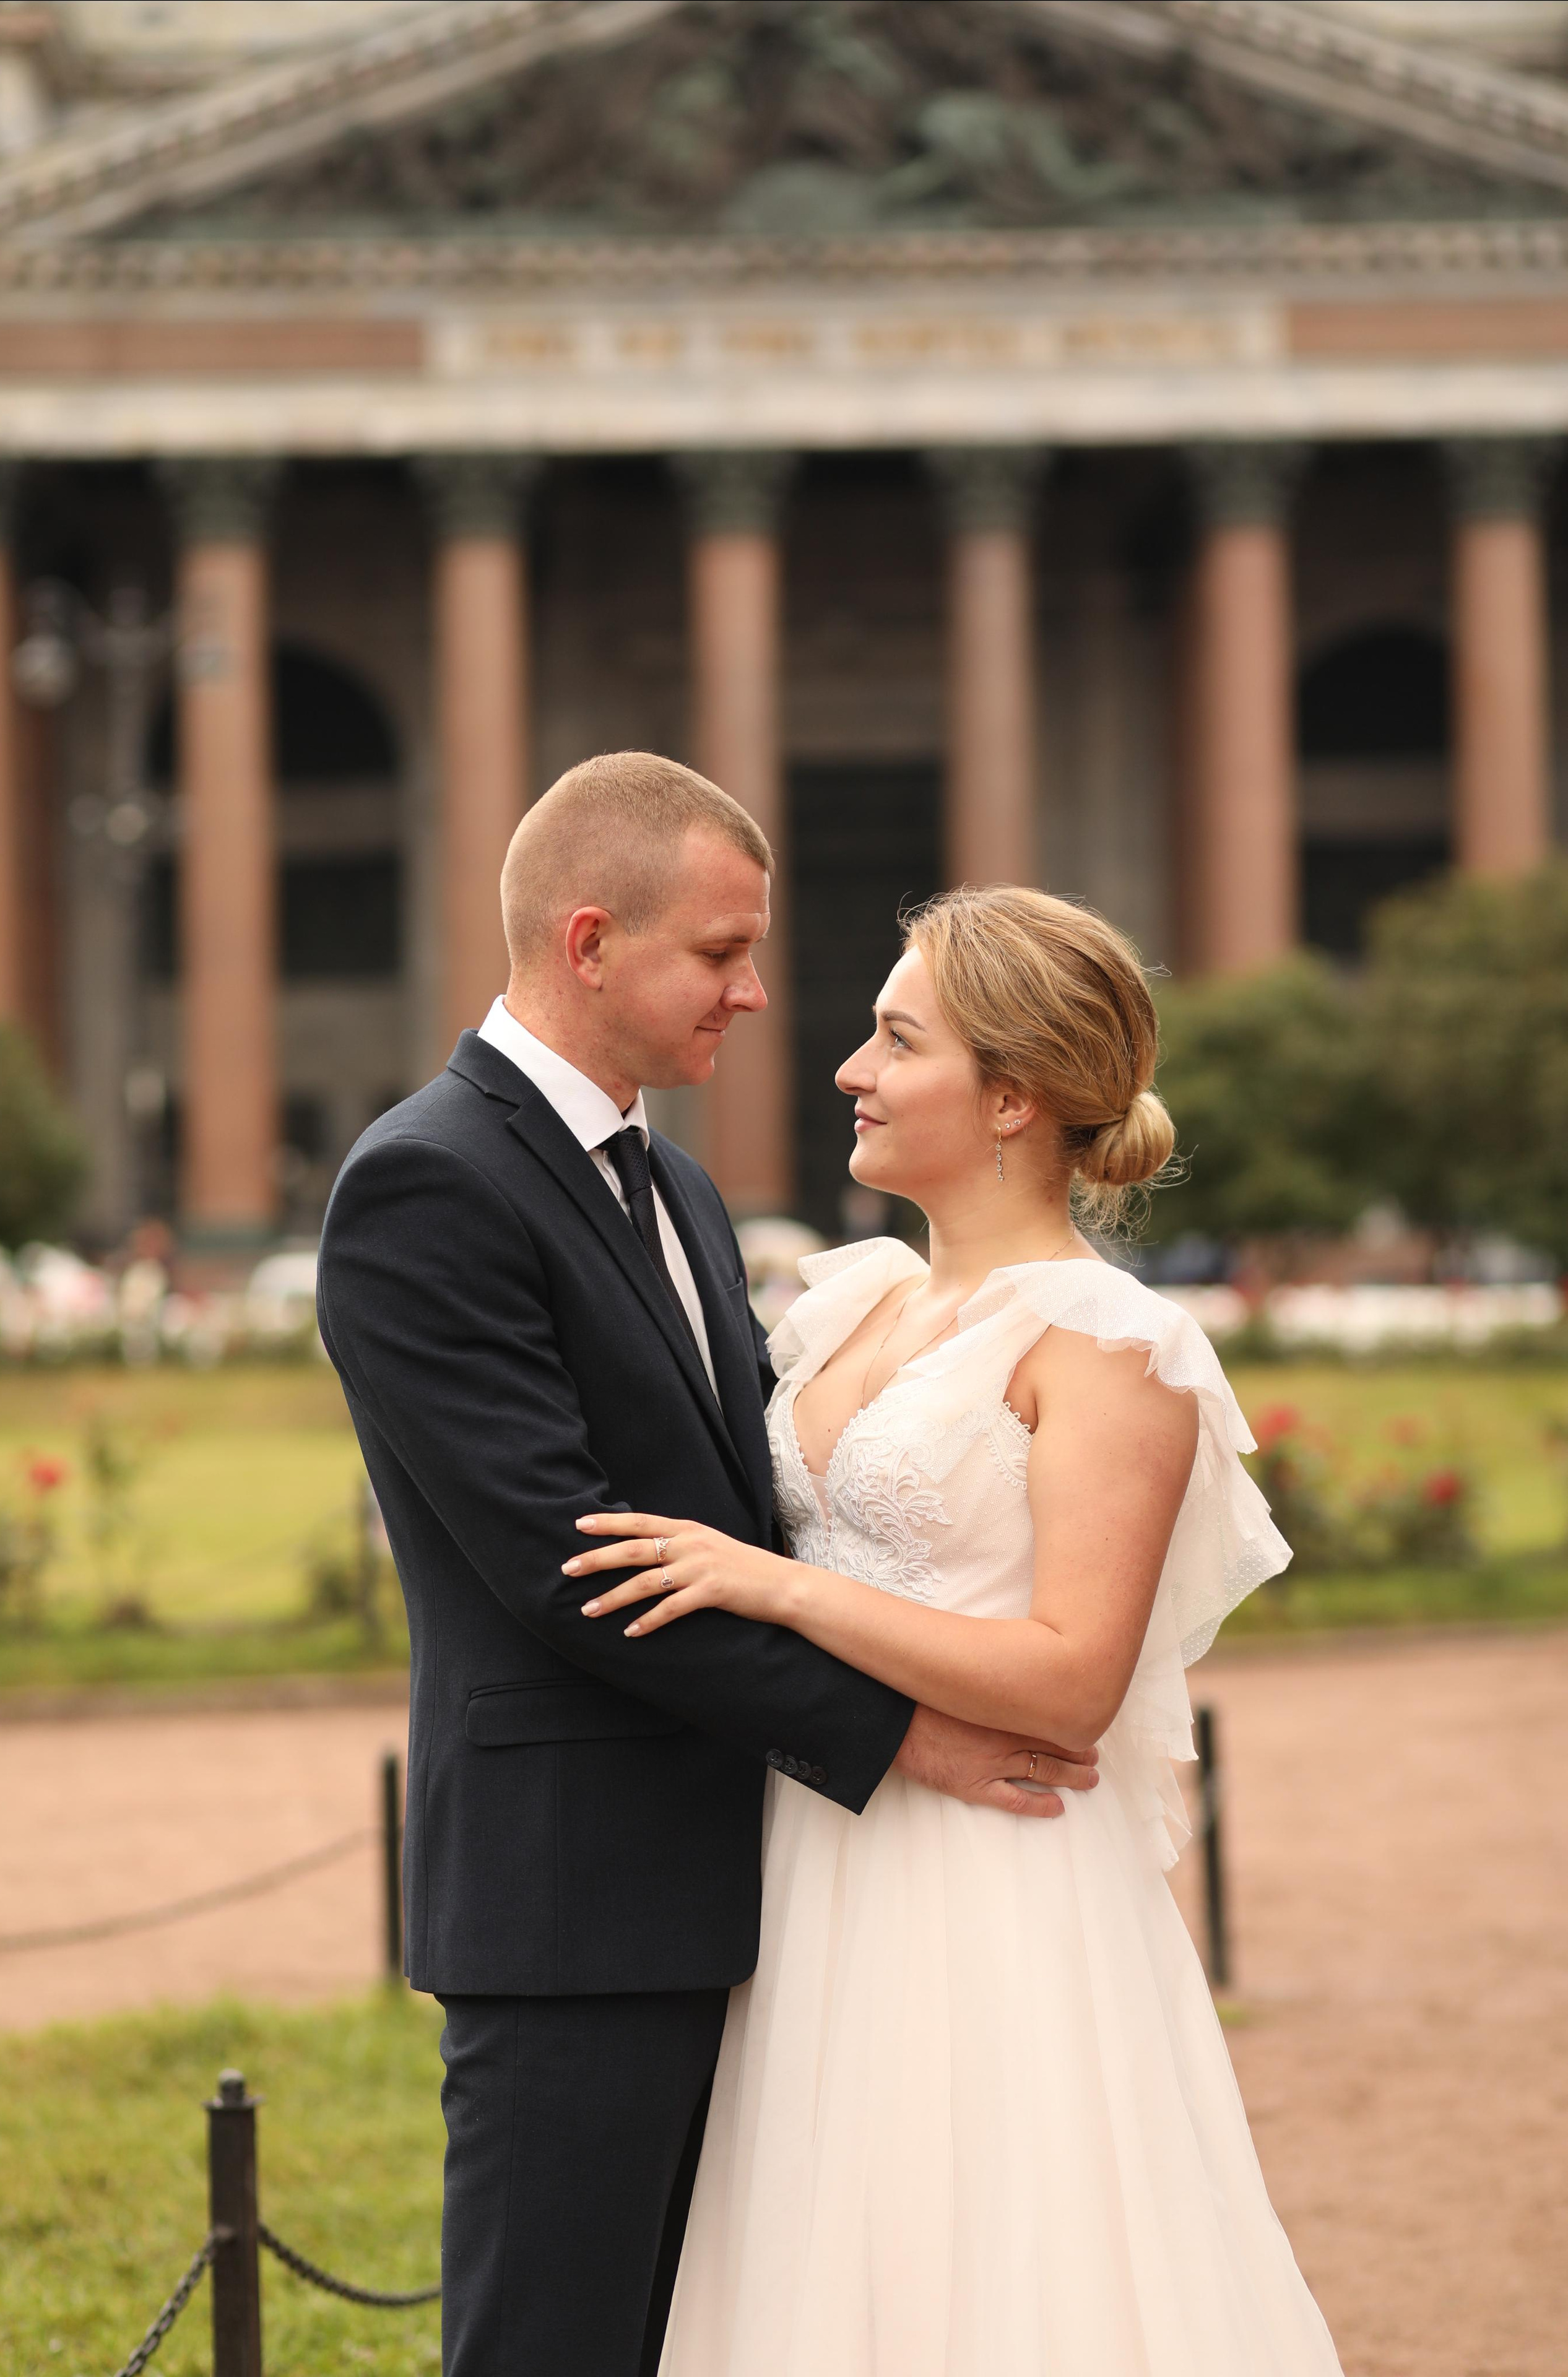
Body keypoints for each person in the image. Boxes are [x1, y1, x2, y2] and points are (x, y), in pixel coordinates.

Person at [314, 757, 1099, 2377]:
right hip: (576, 1905)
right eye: (721, 954)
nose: (754, 993)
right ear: (589, 942)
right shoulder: (425, 1181)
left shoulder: (671, 1180)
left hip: (772, 1891)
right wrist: (900, 1736)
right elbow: (579, 1570)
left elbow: (752, 1509)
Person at [567, 885, 1346, 2377]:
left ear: (1009, 1097)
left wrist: (775, 1585)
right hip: (811, 1854)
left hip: (995, 1881)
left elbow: (1072, 1677)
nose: (848, 1069)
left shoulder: (1112, 1344)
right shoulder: (851, 1305)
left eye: (894, 1039)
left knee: (996, 2266)